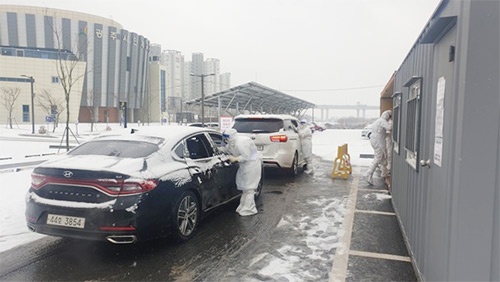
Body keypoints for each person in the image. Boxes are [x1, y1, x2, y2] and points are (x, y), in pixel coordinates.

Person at [222, 128, 262, 216]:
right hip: (245, 166)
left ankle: (250, 209)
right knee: (245, 188)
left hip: (252, 165)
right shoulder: (232, 142)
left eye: (226, 137)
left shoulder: (241, 142)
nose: (225, 139)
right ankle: (243, 207)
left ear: (231, 137)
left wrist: (235, 159)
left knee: (249, 188)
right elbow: (228, 149)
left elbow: (246, 156)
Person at [365, 110, 392, 185]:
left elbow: (381, 131)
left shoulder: (378, 121)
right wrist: (391, 121)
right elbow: (389, 127)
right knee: (379, 157)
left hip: (375, 140)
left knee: (383, 157)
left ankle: (384, 173)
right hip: (378, 141)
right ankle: (369, 173)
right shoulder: (382, 121)